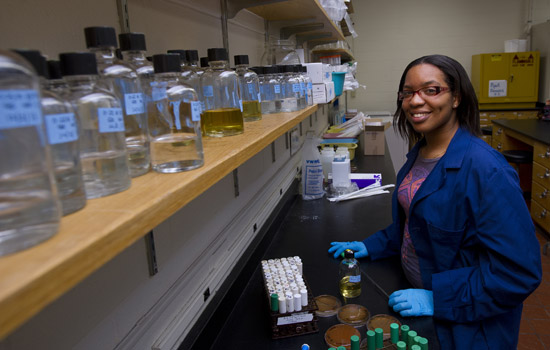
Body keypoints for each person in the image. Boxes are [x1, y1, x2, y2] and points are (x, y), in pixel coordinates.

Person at [328, 54, 542, 349]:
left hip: (466, 325)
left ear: (456, 98)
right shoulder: (421, 153)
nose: (415, 101)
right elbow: (419, 225)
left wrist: (436, 297)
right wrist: (372, 245)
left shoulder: (486, 170)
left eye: (431, 90)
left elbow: (518, 272)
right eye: (408, 92)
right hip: (417, 299)